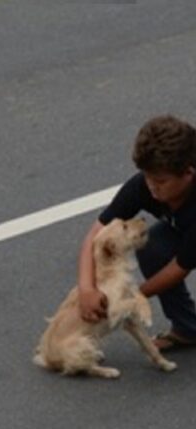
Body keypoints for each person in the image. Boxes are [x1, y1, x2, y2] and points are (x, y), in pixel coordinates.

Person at [78, 114, 196, 351]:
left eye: (160, 181)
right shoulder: (144, 186)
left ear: (188, 173)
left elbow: (180, 267)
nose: (152, 187)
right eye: (148, 177)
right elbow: (96, 235)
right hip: (187, 230)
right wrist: (87, 289)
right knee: (153, 246)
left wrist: (130, 298)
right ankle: (188, 329)